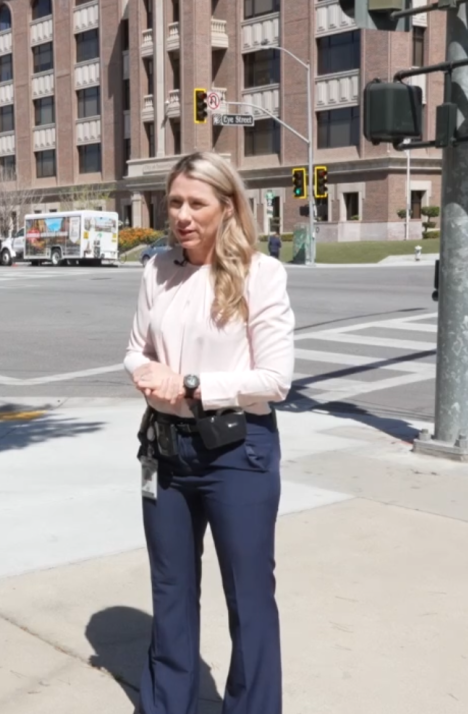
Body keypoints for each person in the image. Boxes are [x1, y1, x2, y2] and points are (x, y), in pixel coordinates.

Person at [124, 151, 295, 714]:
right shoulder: (156, 270)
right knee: (170, 592)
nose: (183, 215)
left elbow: (275, 380)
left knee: (248, 598)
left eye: (197, 203)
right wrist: (147, 376)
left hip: (236, 451)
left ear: (227, 207)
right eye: (175, 202)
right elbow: (136, 350)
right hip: (167, 452)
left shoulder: (260, 273)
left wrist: (192, 384)